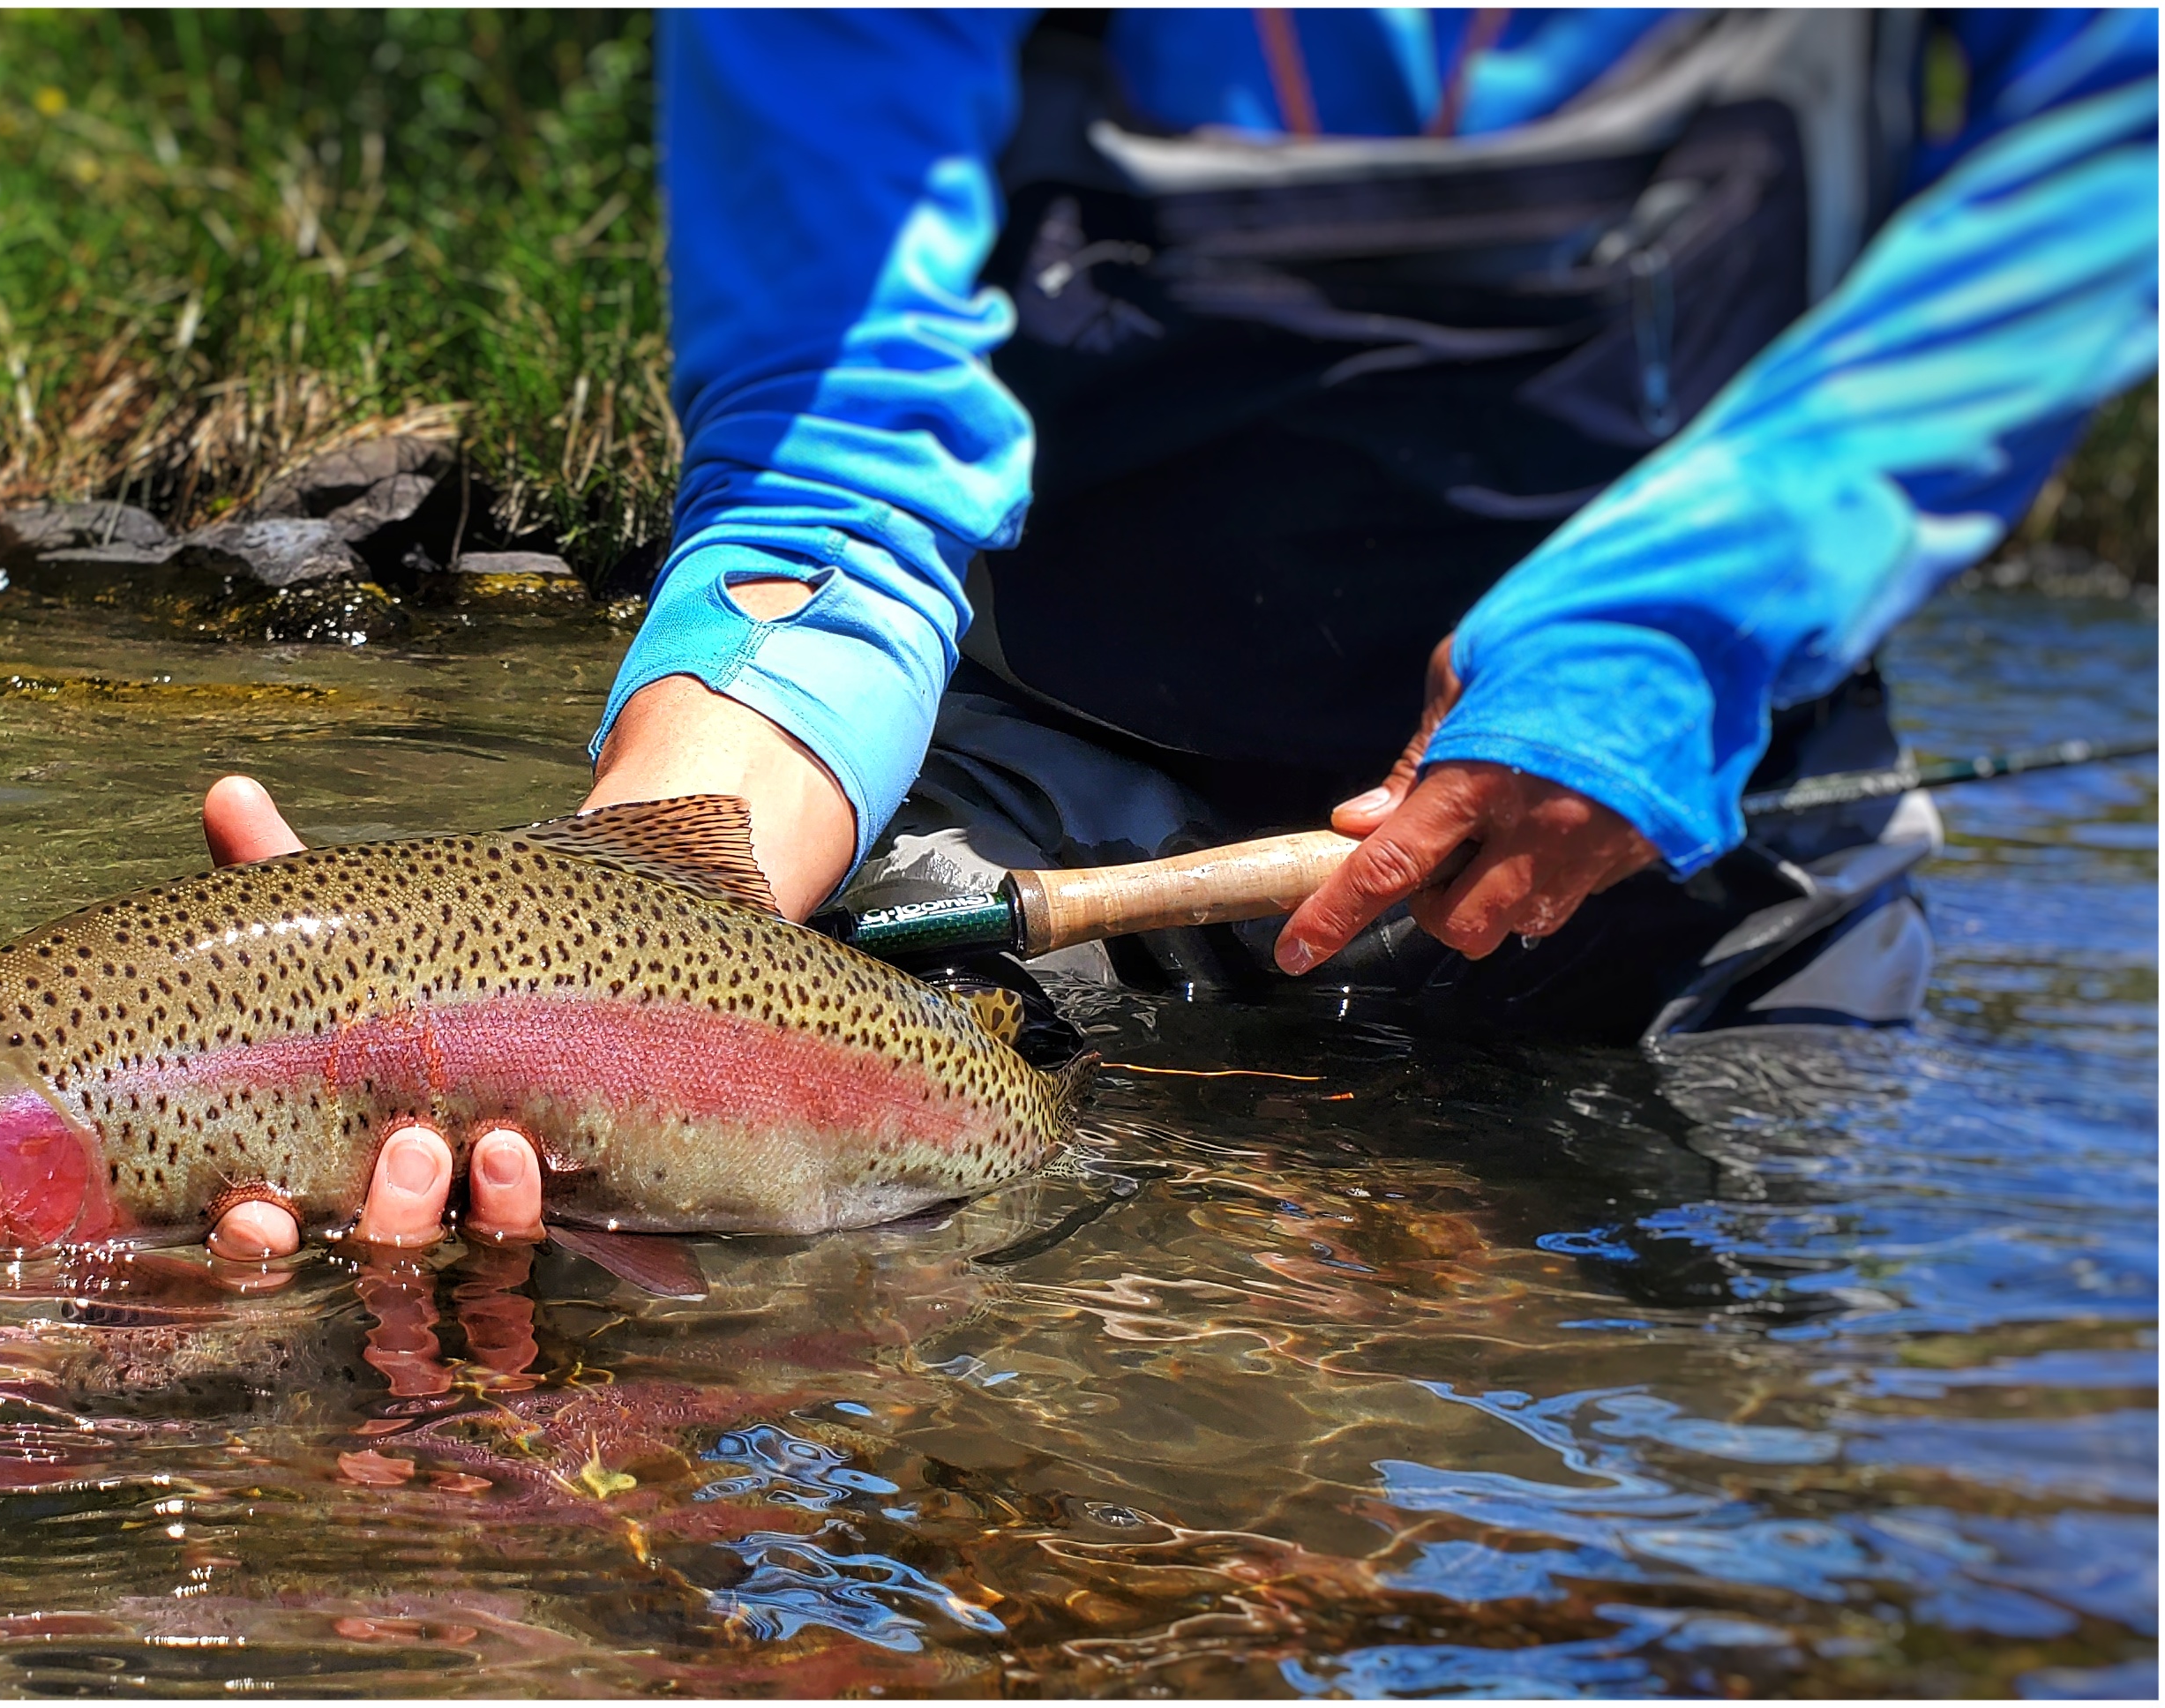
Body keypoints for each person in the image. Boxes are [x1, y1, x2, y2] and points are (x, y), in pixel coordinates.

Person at [206, 9, 2159, 1255]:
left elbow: (2107, 144)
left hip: (1702, 801)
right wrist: (611, 909)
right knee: (684, 1327)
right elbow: (835, 465)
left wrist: (1673, 625)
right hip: (1060, 772)